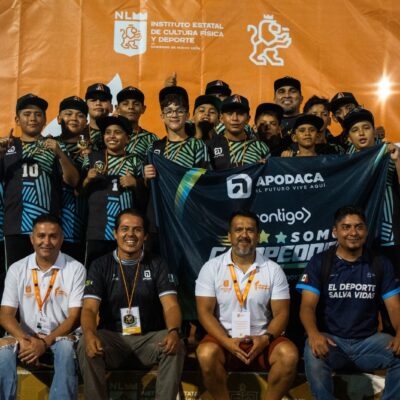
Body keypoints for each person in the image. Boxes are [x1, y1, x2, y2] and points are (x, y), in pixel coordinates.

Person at [78, 208, 185, 400]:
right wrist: (90, 334)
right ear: (115, 233)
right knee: (85, 342)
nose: (130, 234)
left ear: (145, 236)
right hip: (113, 341)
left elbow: (170, 306)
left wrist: (173, 331)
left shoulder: (158, 264)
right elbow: (89, 309)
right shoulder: (100, 265)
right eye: (125, 229)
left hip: (148, 340)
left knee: (175, 344)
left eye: (137, 229)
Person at [297, 205, 400, 400]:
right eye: (346, 227)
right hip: (332, 342)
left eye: (359, 227)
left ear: (366, 231)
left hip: (368, 342)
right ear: (335, 232)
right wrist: (314, 334)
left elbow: (394, 307)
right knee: (312, 351)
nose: (353, 232)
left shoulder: (380, 263)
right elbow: (307, 307)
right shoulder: (320, 262)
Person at [195, 210, 298, 400]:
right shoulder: (211, 268)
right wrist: (226, 341)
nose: (244, 235)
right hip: (225, 340)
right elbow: (204, 312)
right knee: (206, 353)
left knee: (289, 355)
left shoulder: (273, 270)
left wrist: (265, 339)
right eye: (238, 230)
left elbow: (282, 314)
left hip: (262, 341)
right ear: (229, 236)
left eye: (250, 230)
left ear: (258, 236)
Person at [0, 214, 86, 400]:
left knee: (65, 348)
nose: (46, 242)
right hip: (26, 336)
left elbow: (75, 317)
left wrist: (45, 343)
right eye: (41, 236)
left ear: (61, 239)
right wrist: (23, 339)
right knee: (2, 353)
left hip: (62, 336)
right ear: (32, 238)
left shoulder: (75, 268)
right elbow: (5, 315)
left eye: (53, 236)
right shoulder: (17, 268)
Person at [0, 94, 80, 267]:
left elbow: (73, 181)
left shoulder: (54, 145)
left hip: (48, 229)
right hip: (15, 226)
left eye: (38, 114)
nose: (32, 118)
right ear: (17, 119)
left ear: (44, 120)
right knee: (16, 276)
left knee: (50, 276)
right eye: (27, 114)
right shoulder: (7, 146)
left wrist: (59, 153)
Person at [343, 108, 400, 275]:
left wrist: (397, 160)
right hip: (358, 236)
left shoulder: (390, 152)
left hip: (390, 234)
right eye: (355, 130)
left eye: (366, 128)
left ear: (374, 131)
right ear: (349, 138)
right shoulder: (345, 162)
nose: (361, 133)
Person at [82, 115, 145, 267]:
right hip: (97, 230)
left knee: (126, 271)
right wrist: (87, 179)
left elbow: (145, 198)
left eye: (117, 132)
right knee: (95, 272)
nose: (111, 136)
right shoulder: (92, 158)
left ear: (127, 139)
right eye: (108, 132)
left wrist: (135, 183)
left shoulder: (136, 160)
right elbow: (78, 192)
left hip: (126, 232)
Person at [144, 86, 209, 181]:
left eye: (180, 111)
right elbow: (147, 185)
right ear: (162, 116)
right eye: (169, 111)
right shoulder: (153, 147)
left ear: (187, 116)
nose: (174, 115)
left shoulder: (197, 145)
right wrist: (146, 177)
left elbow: (206, 180)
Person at [57, 96, 89, 263]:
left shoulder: (95, 150)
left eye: (80, 115)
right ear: (58, 118)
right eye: (68, 113)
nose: (74, 118)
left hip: (82, 225)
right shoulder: (47, 145)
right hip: (52, 224)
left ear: (86, 122)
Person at [207, 95, 270, 170]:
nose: (235, 118)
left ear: (248, 119)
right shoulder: (210, 146)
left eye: (240, 113)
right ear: (221, 118)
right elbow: (204, 175)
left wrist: (264, 168)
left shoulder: (260, 147)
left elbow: (272, 173)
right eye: (230, 113)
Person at [115, 86, 159, 161]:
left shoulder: (151, 139)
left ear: (143, 109)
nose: (131, 107)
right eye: (125, 104)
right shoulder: (108, 136)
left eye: (136, 104)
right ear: (117, 108)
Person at [85, 83, 113, 151]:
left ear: (111, 107)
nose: (98, 103)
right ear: (85, 107)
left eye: (103, 100)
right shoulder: (77, 134)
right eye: (93, 100)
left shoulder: (120, 135)